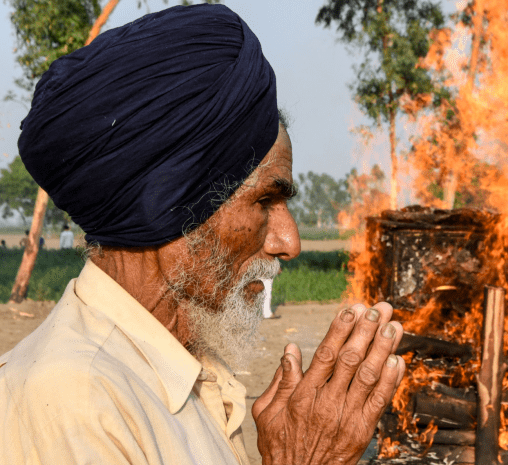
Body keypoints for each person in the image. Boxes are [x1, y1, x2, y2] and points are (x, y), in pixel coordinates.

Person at [0, 5, 405, 465]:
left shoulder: (181, 370)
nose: (289, 242)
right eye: (264, 202)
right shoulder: (78, 400)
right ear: (170, 203)